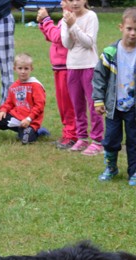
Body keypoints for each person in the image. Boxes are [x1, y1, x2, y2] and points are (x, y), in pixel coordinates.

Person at [93, 8, 136, 186]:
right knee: (111, 138)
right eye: (129, 28)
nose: (132, 33)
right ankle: (111, 166)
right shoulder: (110, 53)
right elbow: (99, 77)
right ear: (121, 27)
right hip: (113, 106)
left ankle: (135, 171)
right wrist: (98, 99)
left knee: (135, 140)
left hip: (134, 107)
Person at [62, 0, 103, 156]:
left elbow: (88, 42)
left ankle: (98, 141)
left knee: (94, 105)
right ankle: (82, 138)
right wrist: (68, 24)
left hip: (89, 66)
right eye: (70, 0)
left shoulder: (91, 16)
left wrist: (73, 25)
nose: (75, 3)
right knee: (77, 105)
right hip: (73, 66)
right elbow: (67, 44)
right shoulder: (66, 18)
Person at [37, 2, 77, 149]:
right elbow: (51, 36)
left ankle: (73, 135)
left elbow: (57, 37)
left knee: (68, 104)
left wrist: (46, 20)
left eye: (64, 0)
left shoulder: (71, 19)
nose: (61, 3)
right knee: (62, 104)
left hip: (67, 68)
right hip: (59, 68)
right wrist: (43, 23)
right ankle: (67, 133)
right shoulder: (63, 19)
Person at [0, 53, 48, 144]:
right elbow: (9, 102)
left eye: (26, 68)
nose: (23, 71)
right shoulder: (14, 86)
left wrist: (29, 119)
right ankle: (21, 130)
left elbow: (39, 106)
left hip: (31, 121)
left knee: (26, 141)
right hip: (17, 118)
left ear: (31, 69)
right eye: (20, 68)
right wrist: (3, 110)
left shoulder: (36, 85)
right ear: (15, 69)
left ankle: (38, 131)